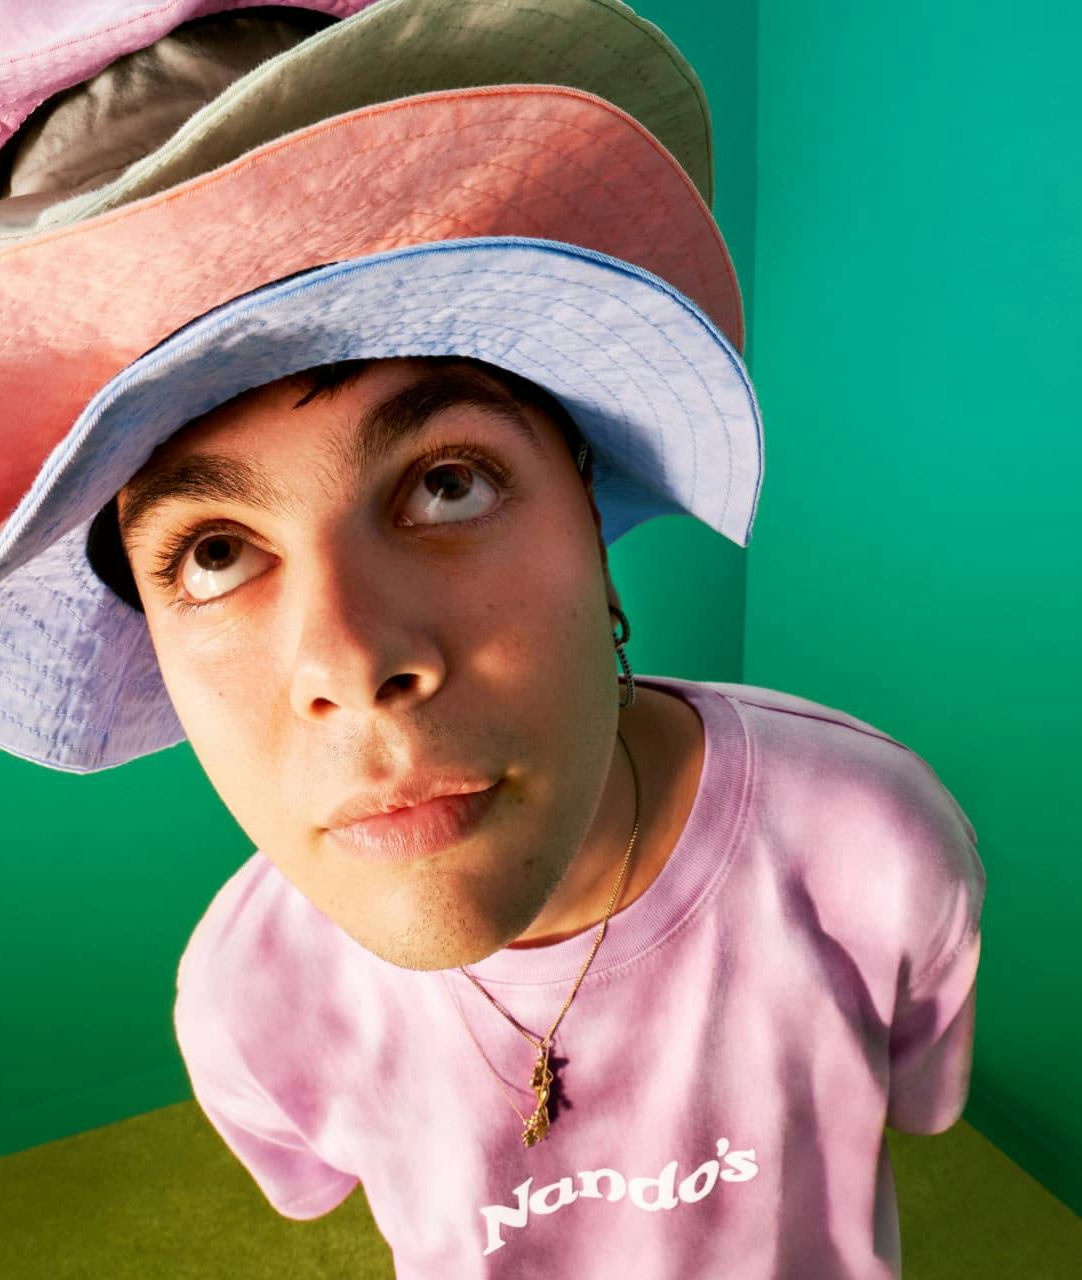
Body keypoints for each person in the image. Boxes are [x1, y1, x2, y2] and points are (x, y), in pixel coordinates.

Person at [93, 350, 986, 1276]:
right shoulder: (244, 998)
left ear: (596, 545)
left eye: (447, 486)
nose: (350, 665)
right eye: (216, 554)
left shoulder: (875, 848)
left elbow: (918, 1099)